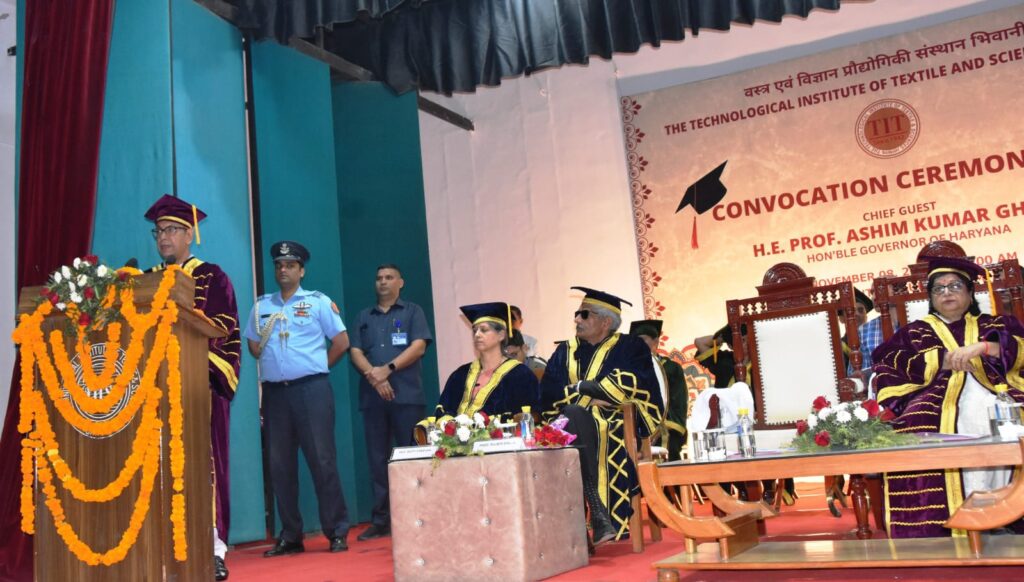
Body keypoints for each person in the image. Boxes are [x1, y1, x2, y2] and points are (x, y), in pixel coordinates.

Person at [873, 256, 1024, 538]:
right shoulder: (914, 331)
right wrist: (940, 361)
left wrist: (985, 348)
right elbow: (888, 363)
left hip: (997, 392)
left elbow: (1021, 350)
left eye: (955, 286)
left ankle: (1002, 512)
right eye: (939, 289)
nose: (947, 293)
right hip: (934, 398)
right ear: (931, 297)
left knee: (993, 411)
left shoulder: (996, 324)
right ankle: (967, 518)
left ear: (970, 292)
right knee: (922, 425)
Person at [145, 194, 240, 581]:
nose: (163, 237)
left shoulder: (212, 277)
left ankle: (213, 550)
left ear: (190, 235)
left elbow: (225, 331)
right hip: (153, 394)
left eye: (171, 230)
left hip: (199, 391)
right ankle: (157, 552)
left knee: (205, 471)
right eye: (158, 231)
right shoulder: (145, 281)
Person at [243, 241, 351, 556]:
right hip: (275, 394)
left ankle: (336, 531)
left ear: (301, 271)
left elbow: (342, 342)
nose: (283, 270)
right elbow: (253, 346)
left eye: (290, 265)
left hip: (311, 391)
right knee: (280, 466)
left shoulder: (318, 302)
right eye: (279, 265)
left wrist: (317, 366)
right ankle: (290, 535)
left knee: (322, 460)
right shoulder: (262, 306)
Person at [539, 287, 662, 545]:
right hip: (566, 422)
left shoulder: (631, 347)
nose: (577, 319)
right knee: (570, 417)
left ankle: (586, 522)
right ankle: (597, 513)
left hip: (616, 423)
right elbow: (548, 394)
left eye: (584, 314)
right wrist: (591, 392)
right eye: (577, 314)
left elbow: (635, 386)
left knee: (574, 415)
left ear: (606, 321)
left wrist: (578, 388)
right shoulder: (565, 351)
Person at [349, 264, 432, 541]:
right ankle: (381, 520)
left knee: (411, 455)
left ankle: (416, 515)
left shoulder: (413, 312)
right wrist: (375, 377)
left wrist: (388, 369)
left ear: (401, 282)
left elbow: (418, 346)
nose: (382, 282)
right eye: (378, 278)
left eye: (388, 277)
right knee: (377, 459)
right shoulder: (364, 316)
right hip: (373, 397)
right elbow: (355, 351)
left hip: (407, 396)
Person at [432, 303, 539, 418]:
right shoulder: (460, 375)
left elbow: (530, 415)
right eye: (474, 330)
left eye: (484, 330)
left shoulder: (520, 375)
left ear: (501, 335)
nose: (477, 335)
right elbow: (443, 411)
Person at [630, 320, 687, 461]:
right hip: (635, 429)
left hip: (666, 428)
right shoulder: (629, 370)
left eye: (643, 339)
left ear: (656, 342)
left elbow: (678, 403)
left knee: (667, 450)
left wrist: (657, 430)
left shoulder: (671, 368)